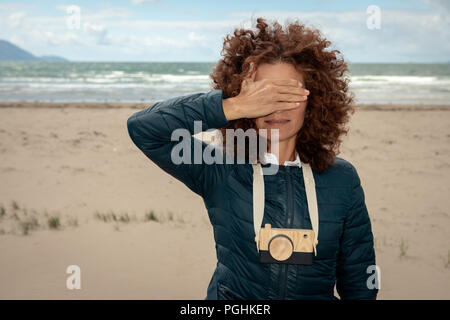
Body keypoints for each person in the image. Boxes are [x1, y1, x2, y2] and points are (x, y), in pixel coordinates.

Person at [127, 17, 378, 300]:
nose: (275, 106)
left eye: (288, 92)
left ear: (315, 99)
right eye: (264, 94)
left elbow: (360, 280)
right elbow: (143, 129)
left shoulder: (342, 179)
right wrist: (233, 105)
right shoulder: (220, 169)